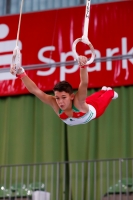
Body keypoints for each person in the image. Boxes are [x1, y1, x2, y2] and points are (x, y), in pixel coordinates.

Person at [10, 55, 118, 126]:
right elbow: (35, 90)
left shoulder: (78, 101)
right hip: (84, 106)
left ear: (71, 96)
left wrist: (83, 66)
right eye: (57, 98)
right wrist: (21, 73)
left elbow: (84, 83)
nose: (60, 102)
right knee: (92, 98)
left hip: (94, 110)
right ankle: (102, 91)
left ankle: (109, 92)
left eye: (63, 97)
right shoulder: (54, 103)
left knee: (107, 95)